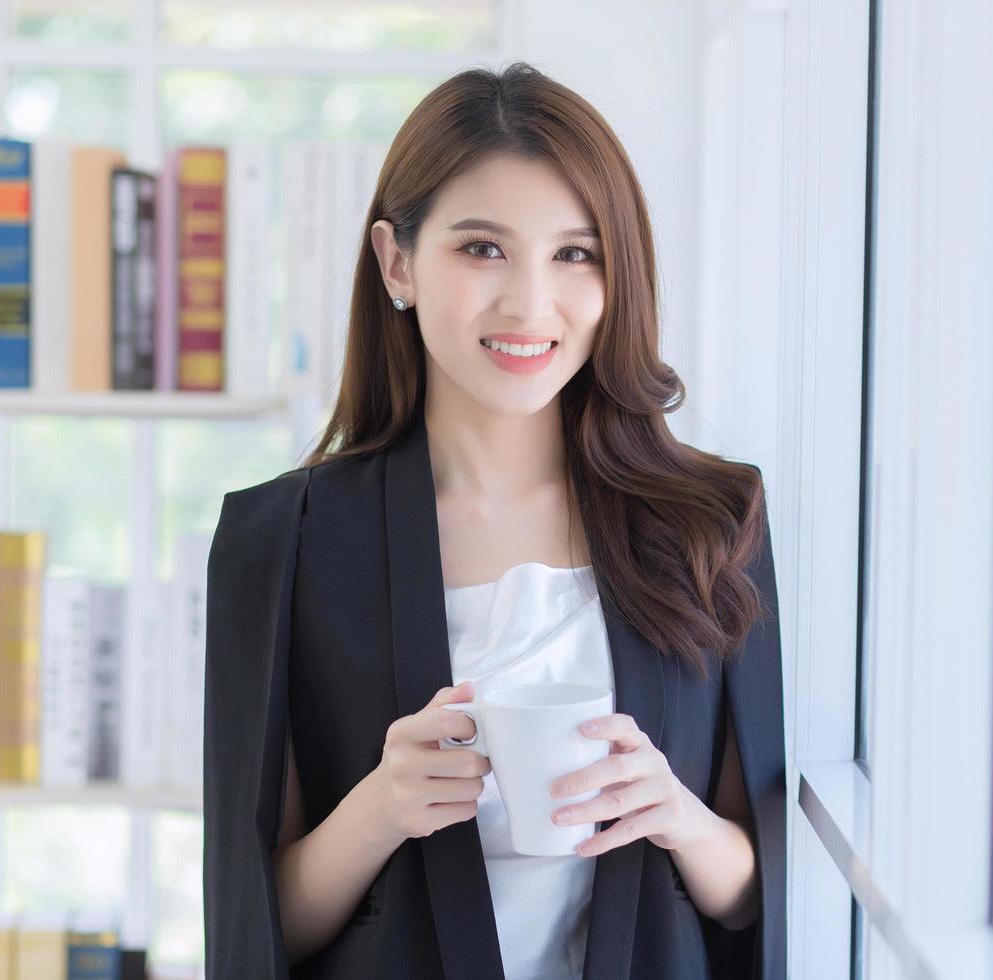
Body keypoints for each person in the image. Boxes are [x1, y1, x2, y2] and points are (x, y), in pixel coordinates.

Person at [202, 62, 786, 980]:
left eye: (575, 253)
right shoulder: (285, 541)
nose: (529, 303)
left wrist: (674, 815)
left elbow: (756, 898)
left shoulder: (709, 524)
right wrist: (380, 806)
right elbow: (254, 924)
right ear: (397, 262)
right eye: (482, 249)